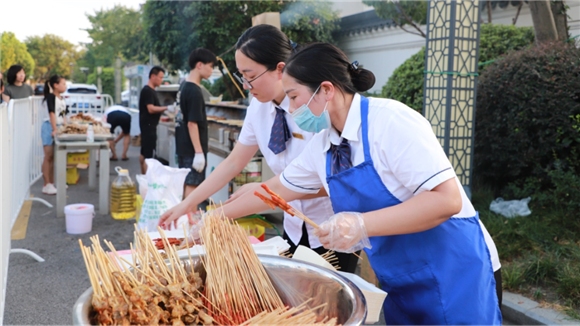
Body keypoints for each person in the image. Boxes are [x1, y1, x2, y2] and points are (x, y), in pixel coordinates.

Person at [216, 43, 502, 324]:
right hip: (399, 276)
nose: (291, 109)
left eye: (293, 96)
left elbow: (446, 200)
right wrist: (213, 219)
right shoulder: (322, 145)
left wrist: (360, 225)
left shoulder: (390, 121)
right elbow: (275, 191)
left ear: (326, 90)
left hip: (456, 271)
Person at [159, 25, 360, 273]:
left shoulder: (313, 108)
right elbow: (234, 162)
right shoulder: (259, 107)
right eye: (240, 75)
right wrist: (188, 203)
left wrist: (267, 191)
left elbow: (335, 182)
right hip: (294, 226)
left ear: (279, 68)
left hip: (333, 229)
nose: (245, 85)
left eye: (249, 75)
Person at [175, 48, 216, 198]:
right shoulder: (194, 90)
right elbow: (192, 123)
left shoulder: (184, 86)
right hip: (192, 149)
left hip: (183, 146)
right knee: (193, 187)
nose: (211, 70)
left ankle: (184, 220)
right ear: (200, 65)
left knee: (187, 185)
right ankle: (189, 220)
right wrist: (199, 152)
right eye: (210, 66)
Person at [139, 66, 173, 174]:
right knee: (148, 157)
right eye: (160, 77)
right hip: (149, 127)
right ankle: (147, 182)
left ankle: (143, 178)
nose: (161, 80)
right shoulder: (148, 90)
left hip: (148, 126)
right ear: (153, 76)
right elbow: (151, 108)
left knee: (144, 153)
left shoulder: (151, 90)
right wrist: (167, 108)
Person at [40, 75, 68, 195]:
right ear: (55, 85)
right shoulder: (51, 97)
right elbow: (52, 114)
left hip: (59, 127)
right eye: (63, 84)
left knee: (53, 157)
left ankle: (52, 183)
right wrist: (55, 129)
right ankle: (47, 184)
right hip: (49, 126)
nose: (65, 86)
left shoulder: (61, 98)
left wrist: (65, 127)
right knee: (48, 156)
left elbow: (63, 115)